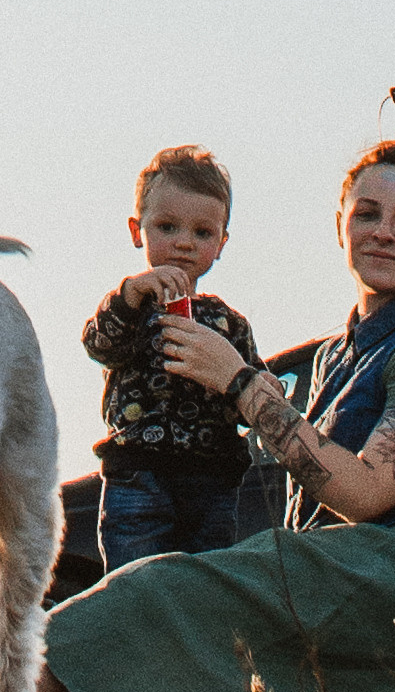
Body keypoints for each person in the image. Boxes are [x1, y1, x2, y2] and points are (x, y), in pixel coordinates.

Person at [36, 94, 395, 692]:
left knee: (163, 587)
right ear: (339, 225)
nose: (383, 231)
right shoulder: (333, 358)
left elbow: (367, 492)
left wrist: (238, 380)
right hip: (338, 603)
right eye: (366, 213)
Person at [83, 147, 264, 572]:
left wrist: (264, 388)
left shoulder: (227, 321)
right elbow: (98, 345)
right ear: (136, 230)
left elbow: (250, 387)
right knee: (137, 585)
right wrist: (129, 294)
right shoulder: (130, 307)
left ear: (220, 244)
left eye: (202, 233)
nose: (184, 242)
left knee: (204, 588)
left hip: (213, 479)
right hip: (138, 475)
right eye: (167, 227)